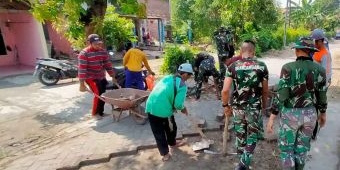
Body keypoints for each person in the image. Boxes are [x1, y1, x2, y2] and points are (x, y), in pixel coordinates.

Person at [266, 37, 328, 170]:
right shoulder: (320, 70)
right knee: (302, 150)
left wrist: (272, 117)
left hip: (290, 115)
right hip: (310, 115)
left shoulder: (288, 68)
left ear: (298, 50)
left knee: (287, 150)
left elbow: (281, 95)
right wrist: (323, 114)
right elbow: (322, 95)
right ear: (311, 51)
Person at [221, 40, 269, 170]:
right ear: (253, 52)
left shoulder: (232, 66)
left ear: (241, 51)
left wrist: (225, 106)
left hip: (238, 108)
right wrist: (265, 106)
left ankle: (242, 162)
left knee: (241, 135)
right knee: (253, 136)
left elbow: (225, 90)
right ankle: (242, 165)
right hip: (254, 108)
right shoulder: (262, 66)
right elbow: (265, 90)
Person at [145, 63, 193, 161]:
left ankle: (168, 148)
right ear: (185, 74)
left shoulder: (168, 77)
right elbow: (178, 105)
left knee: (160, 131)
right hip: (162, 109)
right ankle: (167, 151)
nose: (189, 78)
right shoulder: (182, 85)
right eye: (189, 75)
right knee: (167, 129)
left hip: (150, 105)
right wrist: (183, 109)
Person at [78, 34, 117, 119]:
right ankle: (95, 113)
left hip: (101, 76)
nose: (98, 46)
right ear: (90, 43)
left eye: (99, 44)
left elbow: (107, 65)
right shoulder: (84, 53)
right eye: (96, 44)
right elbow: (82, 69)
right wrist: (81, 84)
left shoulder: (102, 52)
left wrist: (113, 76)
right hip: (90, 77)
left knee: (103, 94)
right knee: (97, 94)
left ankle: (101, 112)